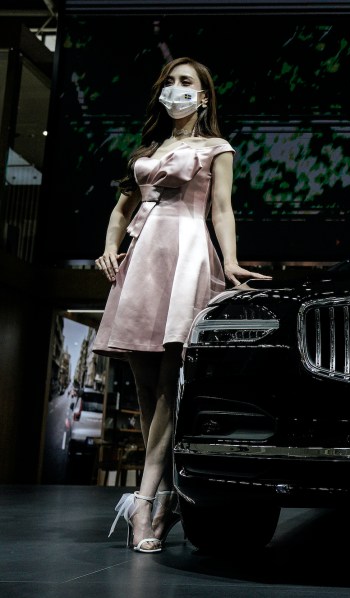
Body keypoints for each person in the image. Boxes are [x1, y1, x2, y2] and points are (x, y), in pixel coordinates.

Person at [93, 57, 270, 552]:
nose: (176, 89)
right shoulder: (149, 149)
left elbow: (221, 209)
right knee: (147, 393)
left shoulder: (218, 148)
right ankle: (167, 492)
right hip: (141, 263)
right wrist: (110, 247)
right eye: (169, 82)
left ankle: (142, 500)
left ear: (204, 95)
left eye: (186, 82)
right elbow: (123, 205)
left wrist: (230, 262)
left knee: (171, 387)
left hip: (186, 256)